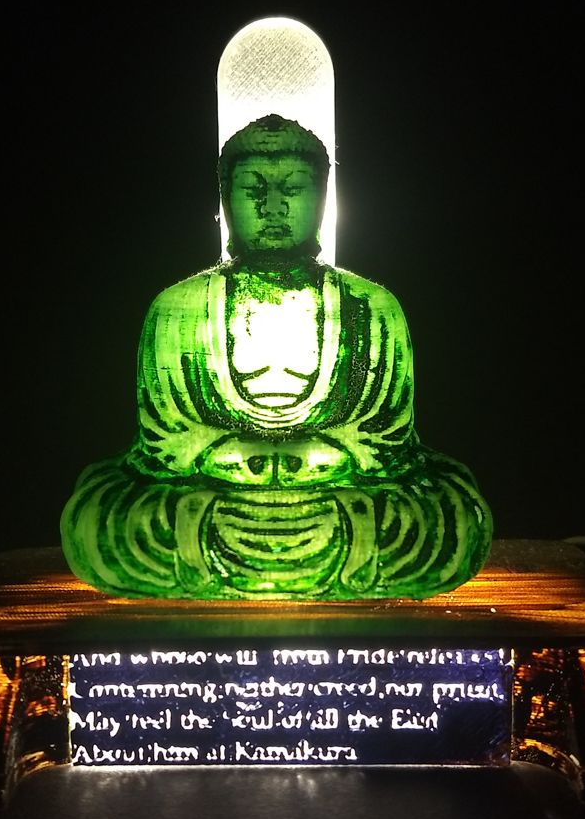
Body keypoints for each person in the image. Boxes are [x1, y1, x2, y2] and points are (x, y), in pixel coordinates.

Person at [61, 115, 492, 599]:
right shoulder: (176, 310)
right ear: (225, 199)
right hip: (215, 497)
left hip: (339, 499)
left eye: (294, 187)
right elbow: (164, 448)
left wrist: (319, 459)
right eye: (253, 188)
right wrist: (227, 457)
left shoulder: (372, 307)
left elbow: (388, 445)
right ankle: (242, 558)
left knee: (446, 516)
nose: (273, 206)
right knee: (102, 519)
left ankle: (250, 563)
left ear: (323, 198)